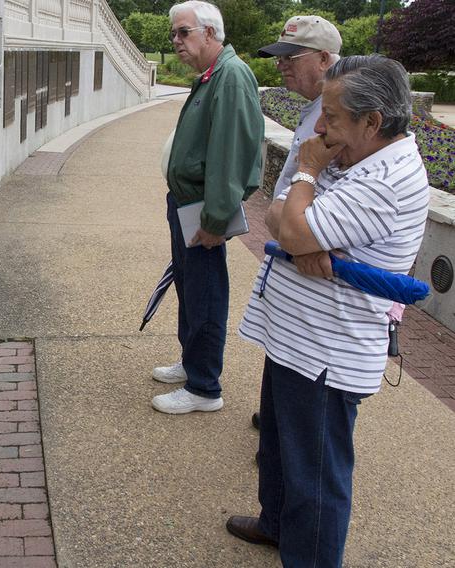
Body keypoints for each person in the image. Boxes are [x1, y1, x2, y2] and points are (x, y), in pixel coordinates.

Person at [228, 55, 430, 567]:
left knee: (315, 476)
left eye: (333, 117)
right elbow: (276, 214)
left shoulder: (383, 178)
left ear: (372, 122)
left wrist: (307, 177)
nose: (319, 128)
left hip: (326, 351)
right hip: (297, 337)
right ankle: (276, 524)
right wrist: (298, 226)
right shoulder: (355, 157)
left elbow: (290, 225)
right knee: (277, 446)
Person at [151, 0, 264, 414]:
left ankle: (204, 387)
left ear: (211, 34)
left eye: (184, 32)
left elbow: (231, 154)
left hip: (204, 212)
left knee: (206, 294)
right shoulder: (211, 75)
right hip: (187, 205)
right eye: (174, 34)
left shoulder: (231, 77)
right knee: (189, 287)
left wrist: (216, 220)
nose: (176, 41)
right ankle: (191, 362)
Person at [252, 15, 343, 430]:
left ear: (325, 58)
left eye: (292, 56)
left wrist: (299, 237)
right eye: (279, 57)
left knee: (311, 424)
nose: (281, 64)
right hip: (292, 251)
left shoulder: (343, 118)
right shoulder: (316, 110)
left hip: (314, 270)